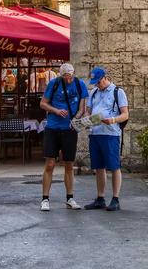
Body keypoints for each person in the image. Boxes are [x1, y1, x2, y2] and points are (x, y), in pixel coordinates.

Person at [38, 63, 86, 212]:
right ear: (61, 75)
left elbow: (82, 107)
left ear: (74, 73)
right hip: (53, 127)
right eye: (65, 78)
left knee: (69, 164)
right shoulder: (54, 84)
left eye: (70, 77)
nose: (68, 80)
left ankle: (69, 198)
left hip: (69, 128)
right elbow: (43, 104)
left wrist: (76, 118)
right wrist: (56, 111)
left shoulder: (80, 84)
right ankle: (45, 199)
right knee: (50, 164)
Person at [82, 68, 129, 210]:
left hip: (110, 134)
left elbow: (125, 114)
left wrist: (113, 119)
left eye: (99, 81)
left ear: (105, 78)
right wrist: (84, 120)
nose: (97, 85)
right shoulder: (94, 93)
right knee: (98, 167)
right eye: (95, 83)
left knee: (114, 166)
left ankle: (115, 199)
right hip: (96, 133)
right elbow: (88, 111)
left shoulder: (118, 92)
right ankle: (100, 198)